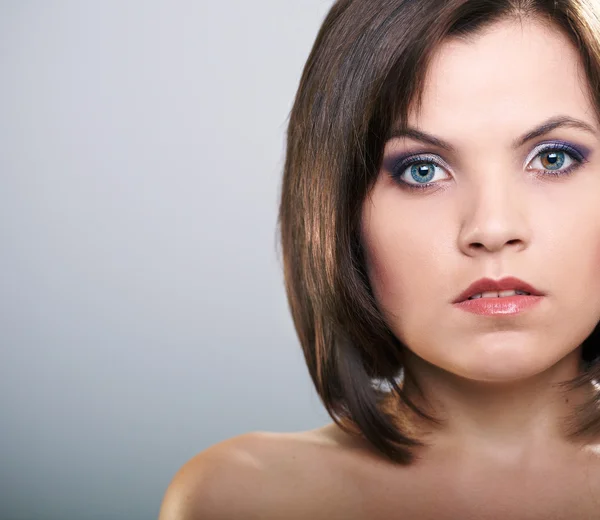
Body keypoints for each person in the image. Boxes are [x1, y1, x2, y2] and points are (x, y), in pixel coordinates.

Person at [158, 0, 600, 518]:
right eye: (421, 171)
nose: (493, 228)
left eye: (553, 158)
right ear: (342, 214)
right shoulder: (241, 498)